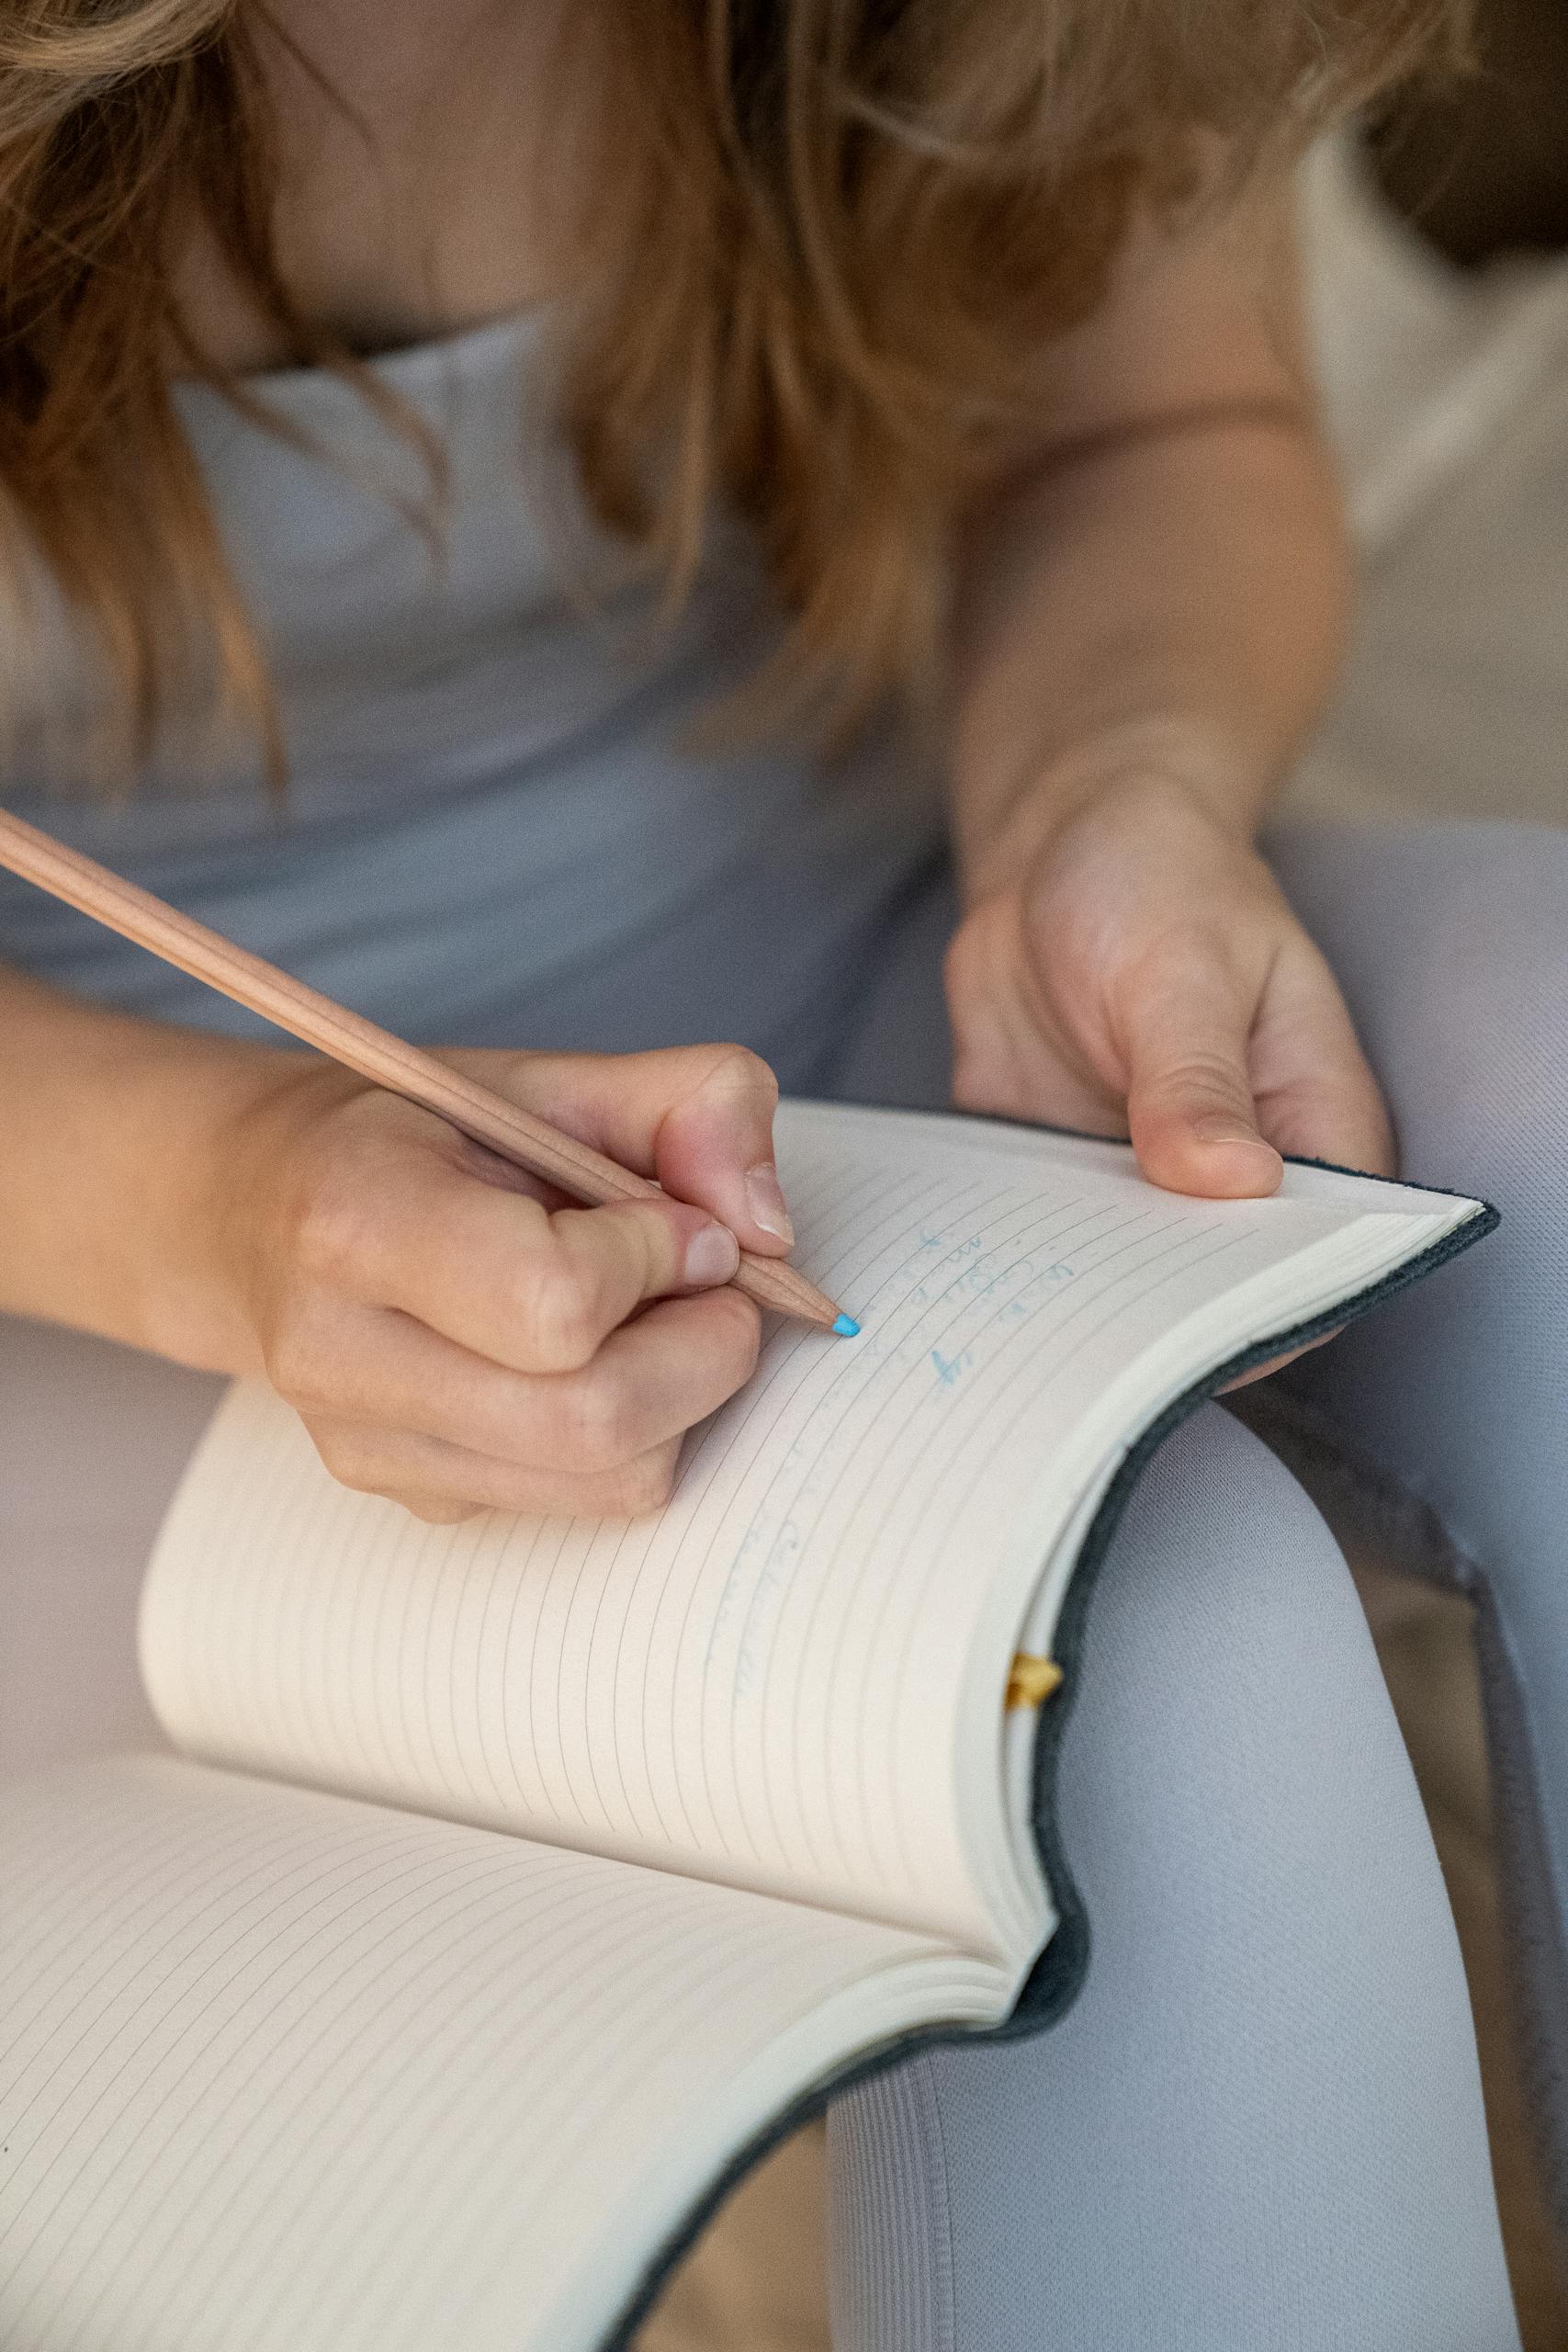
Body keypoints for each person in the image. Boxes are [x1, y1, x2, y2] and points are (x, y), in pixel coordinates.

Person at [0, 4, 1553, 2343]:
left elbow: (1158, 417)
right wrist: (231, 1192)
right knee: (1124, 1654)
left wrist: (1098, 797)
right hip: (96, 1219)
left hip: (842, 944)